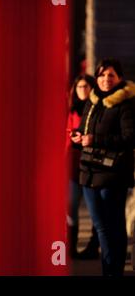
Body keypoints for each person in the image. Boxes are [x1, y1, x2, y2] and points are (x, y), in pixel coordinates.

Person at [72, 58, 135, 276]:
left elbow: (129, 138)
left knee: (113, 225)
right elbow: (83, 129)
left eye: (111, 75)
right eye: (102, 75)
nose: (106, 79)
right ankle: (108, 269)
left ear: (119, 78)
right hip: (88, 172)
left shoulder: (125, 103)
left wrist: (95, 139)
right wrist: (77, 137)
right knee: (100, 226)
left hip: (112, 173)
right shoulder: (93, 100)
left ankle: (112, 271)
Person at [66, 74, 99, 259]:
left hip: (91, 165)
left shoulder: (96, 109)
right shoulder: (71, 110)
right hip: (72, 164)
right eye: (79, 87)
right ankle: (71, 247)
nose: (83, 90)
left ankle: (93, 246)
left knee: (95, 209)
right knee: (70, 207)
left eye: (86, 86)